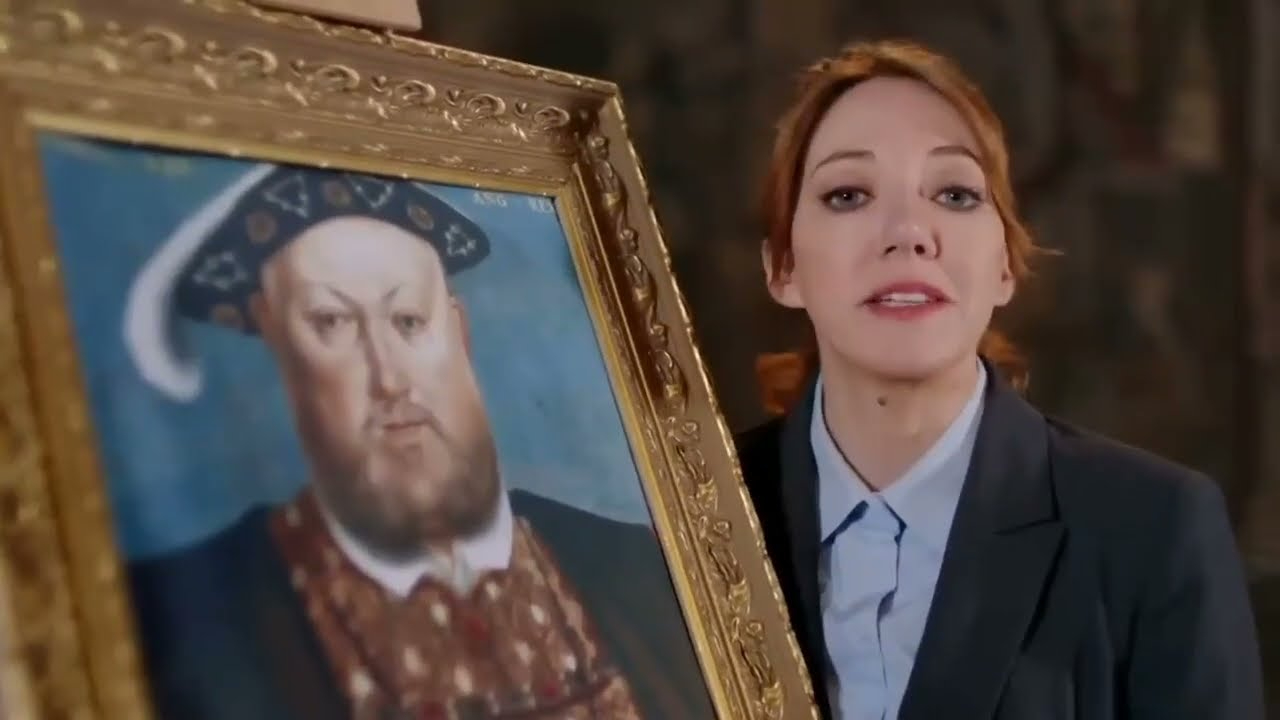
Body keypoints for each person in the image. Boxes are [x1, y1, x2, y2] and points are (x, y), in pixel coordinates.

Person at [734, 39, 1265, 720]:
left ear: (1005, 265)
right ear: (784, 267)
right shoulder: (684, 519)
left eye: (955, 194)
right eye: (848, 195)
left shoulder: (1156, 531)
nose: (909, 232)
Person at [120, 164, 712, 720]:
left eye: (408, 321)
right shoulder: (191, 626)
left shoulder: (647, 571)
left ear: (459, 333)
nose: (389, 378)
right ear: (281, 353)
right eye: (331, 324)